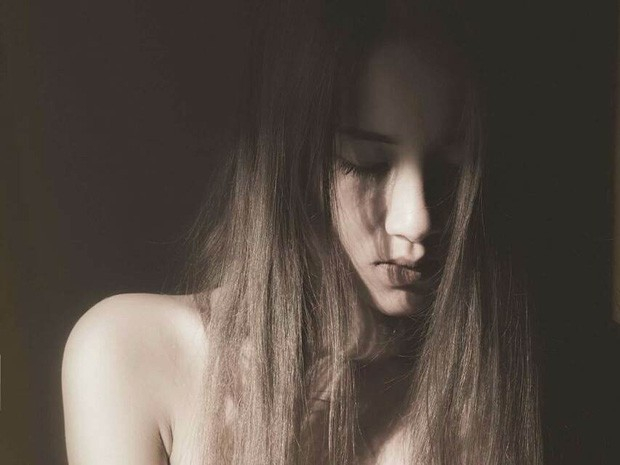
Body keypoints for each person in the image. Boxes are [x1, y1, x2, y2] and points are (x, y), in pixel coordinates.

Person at [61, 0, 542, 463]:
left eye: (450, 170)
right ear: (293, 170)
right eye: (366, 164)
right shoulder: (133, 353)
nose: (416, 221)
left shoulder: (481, 387)